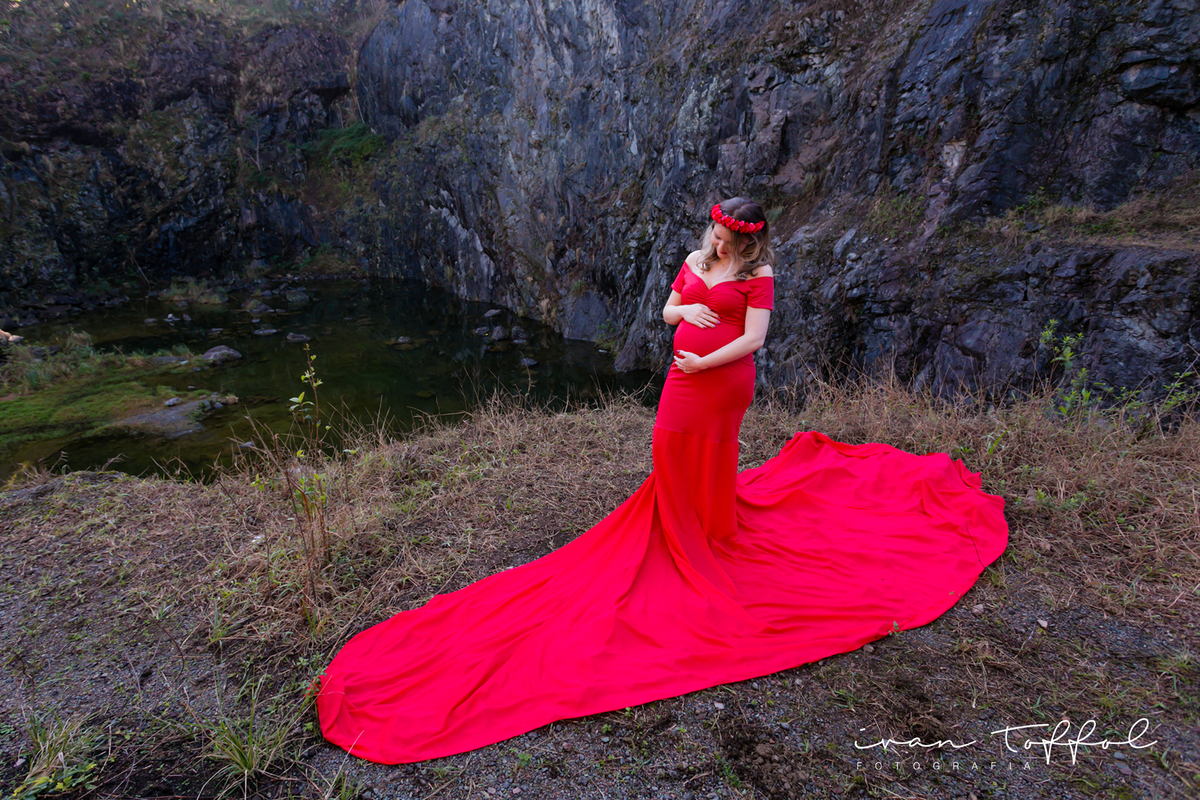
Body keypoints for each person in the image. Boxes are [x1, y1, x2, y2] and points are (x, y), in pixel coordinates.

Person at [317, 198, 1008, 765]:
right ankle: (680, 520)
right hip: (683, 381)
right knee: (668, 449)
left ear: (749, 242)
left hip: (721, 382)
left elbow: (755, 340)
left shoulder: (759, 276)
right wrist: (688, 316)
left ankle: (704, 527)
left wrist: (707, 360)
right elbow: (669, 312)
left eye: (727, 239)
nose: (716, 243)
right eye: (715, 234)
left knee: (711, 456)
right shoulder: (697, 260)